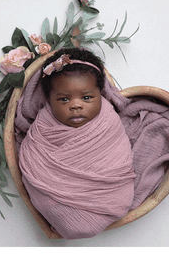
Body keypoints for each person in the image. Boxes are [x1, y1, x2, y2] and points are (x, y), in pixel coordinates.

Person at [17, 49, 136, 239]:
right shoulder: (42, 130)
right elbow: (33, 163)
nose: (76, 105)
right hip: (57, 205)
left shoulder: (108, 123)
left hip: (111, 194)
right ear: (49, 100)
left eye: (86, 98)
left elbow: (117, 157)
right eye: (64, 99)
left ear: (101, 94)